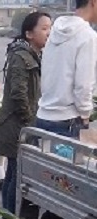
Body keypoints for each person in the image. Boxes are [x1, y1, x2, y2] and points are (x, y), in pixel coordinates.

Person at [0, 12, 51, 219]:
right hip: (16, 125)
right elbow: (18, 93)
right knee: (16, 176)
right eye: (44, 28)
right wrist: (29, 122)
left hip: (20, 123)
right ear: (29, 33)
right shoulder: (20, 56)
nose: (48, 33)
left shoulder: (33, 54)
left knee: (14, 173)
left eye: (49, 28)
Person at [35, 0, 97, 140]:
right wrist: (85, 114)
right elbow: (83, 85)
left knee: (43, 155)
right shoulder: (88, 36)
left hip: (43, 116)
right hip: (68, 121)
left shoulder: (54, 32)